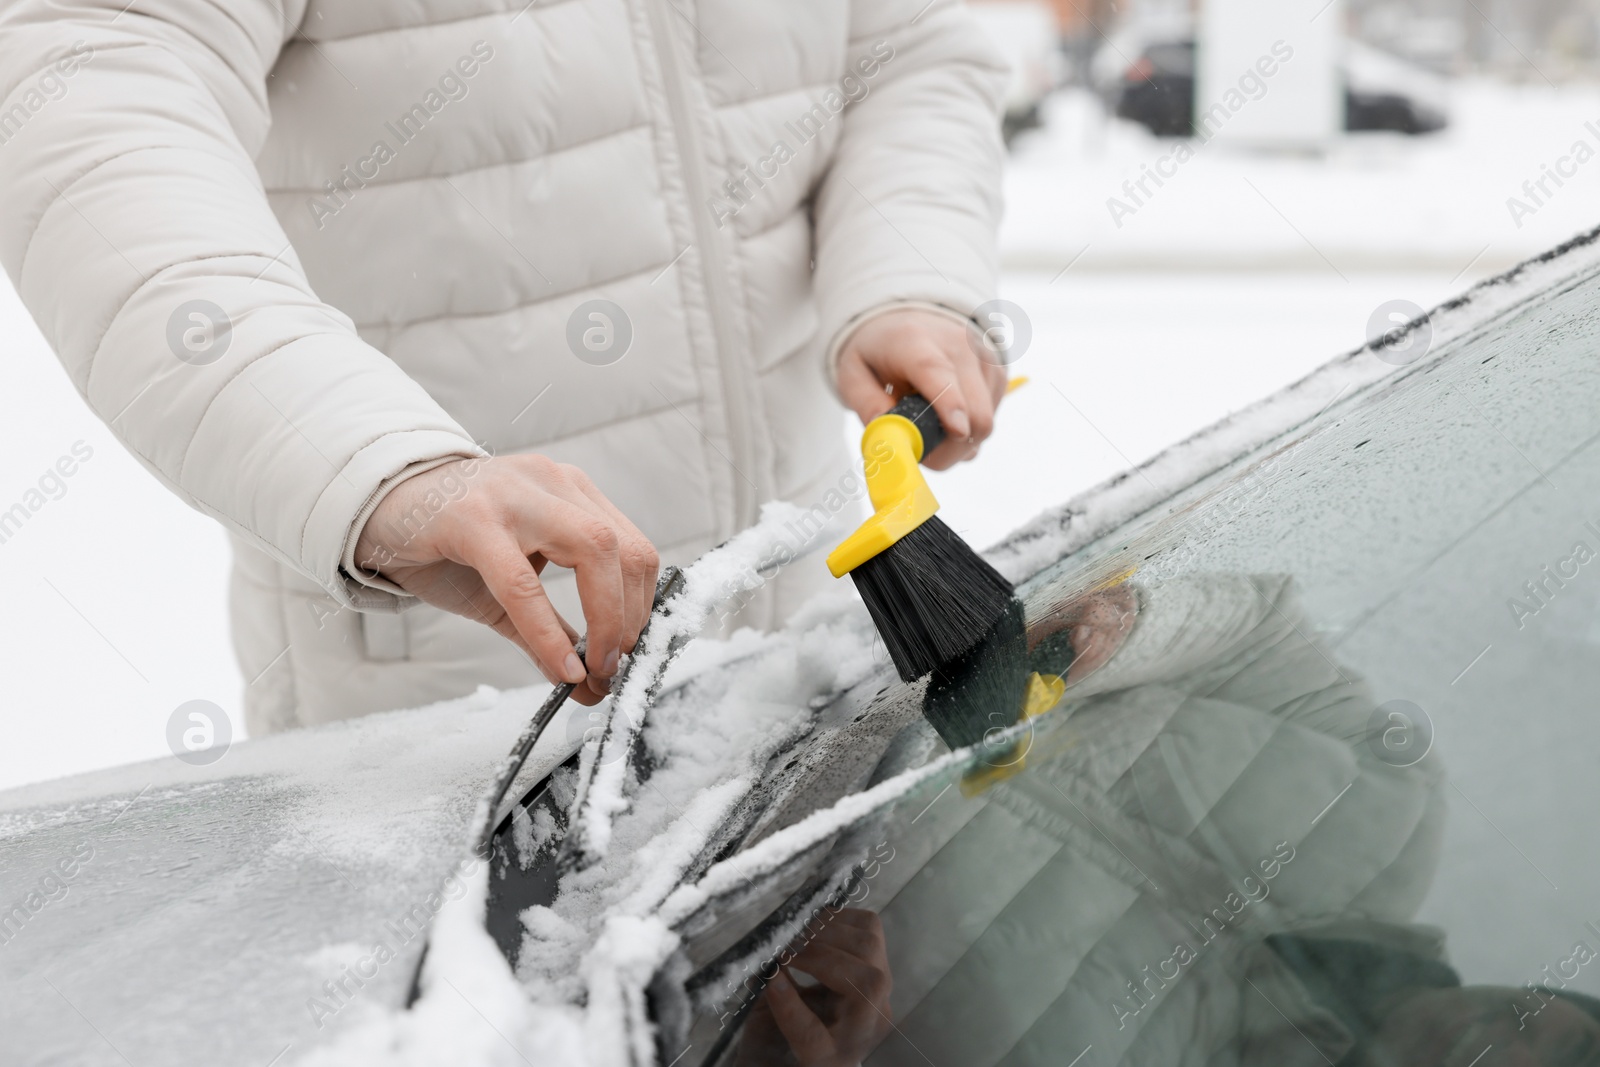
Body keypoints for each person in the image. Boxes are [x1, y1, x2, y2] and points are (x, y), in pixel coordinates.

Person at [0, 0, 1010, 732]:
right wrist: (373, 465)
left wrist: (903, 273)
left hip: (801, 652)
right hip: (455, 709)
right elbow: (88, 107)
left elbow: (908, 46)